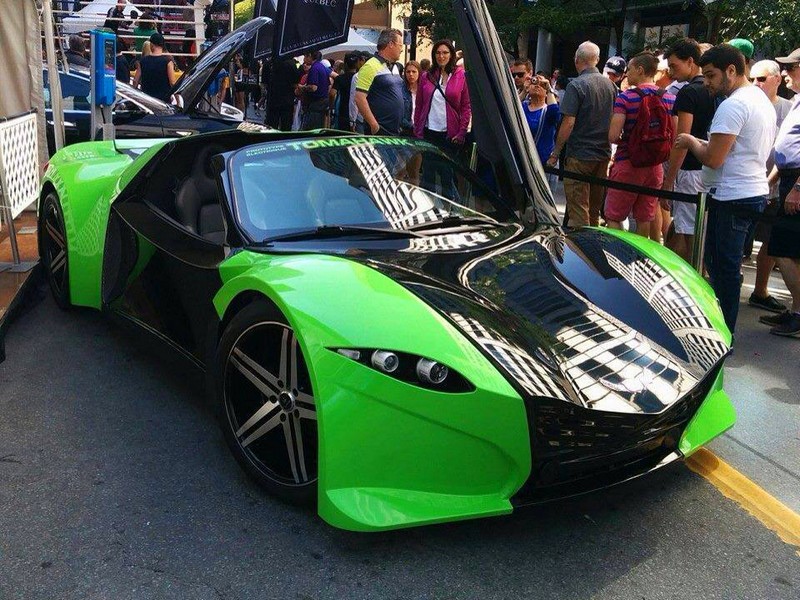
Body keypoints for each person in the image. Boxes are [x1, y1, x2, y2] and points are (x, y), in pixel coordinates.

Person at [675, 44, 776, 334]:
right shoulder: (758, 99)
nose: (706, 82)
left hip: (731, 195)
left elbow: (714, 158)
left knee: (722, 271)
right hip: (748, 191)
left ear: (731, 70)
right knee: (725, 268)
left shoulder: (733, 105)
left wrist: (690, 141)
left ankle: (721, 334)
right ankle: (721, 331)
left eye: (711, 75)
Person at [547, 41, 618, 227]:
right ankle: (593, 242)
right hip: (603, 154)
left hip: (579, 155)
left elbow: (568, 122)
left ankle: (580, 245)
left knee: (578, 211)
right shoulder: (611, 86)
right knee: (594, 211)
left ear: (576, 59)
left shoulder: (576, 85)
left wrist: (556, 153)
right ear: (597, 60)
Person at [605, 52, 676, 237]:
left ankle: (617, 251)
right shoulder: (670, 99)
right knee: (644, 218)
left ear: (640, 70)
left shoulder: (626, 98)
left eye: (629, 69)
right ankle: (638, 254)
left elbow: (613, 135)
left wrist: (626, 140)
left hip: (628, 163)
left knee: (613, 216)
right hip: (655, 167)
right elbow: (674, 136)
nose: (626, 73)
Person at [662, 38, 717, 263]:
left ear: (690, 61)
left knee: (690, 234)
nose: (671, 71)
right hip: (710, 168)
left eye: (674, 65)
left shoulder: (688, 92)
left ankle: (692, 276)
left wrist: (669, 181)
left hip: (691, 170)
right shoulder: (715, 90)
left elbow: (681, 140)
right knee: (686, 229)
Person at [747, 59, 795, 312]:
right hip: (751, 183)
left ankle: (764, 292)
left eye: (762, 79)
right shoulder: (745, 102)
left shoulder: (788, 106)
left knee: (774, 242)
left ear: (775, 80)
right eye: (753, 79)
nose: (756, 83)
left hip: (782, 186)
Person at [759, 49, 800, 336]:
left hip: (796, 183)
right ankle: (796, 310)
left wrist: (797, 187)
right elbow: (786, 150)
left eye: (791, 68)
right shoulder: (796, 101)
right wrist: (770, 181)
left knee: (783, 251)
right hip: (788, 179)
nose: (785, 73)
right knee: (791, 252)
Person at [414, 39, 472, 195]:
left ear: (451, 54)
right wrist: (418, 130)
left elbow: (466, 107)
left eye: (445, 52)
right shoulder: (426, 76)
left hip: (450, 134)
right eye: (438, 53)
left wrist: (461, 132)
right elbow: (419, 105)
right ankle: (430, 207)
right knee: (428, 175)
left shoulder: (461, 75)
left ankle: (451, 206)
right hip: (429, 131)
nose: (441, 56)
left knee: (447, 176)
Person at [355, 29, 405, 135]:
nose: (402, 50)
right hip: (380, 131)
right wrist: (374, 125)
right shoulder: (370, 66)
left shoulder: (395, 67)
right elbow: (359, 98)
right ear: (391, 44)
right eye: (400, 45)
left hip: (395, 130)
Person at [522, 75, 559, 165]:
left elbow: (555, 112)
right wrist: (524, 91)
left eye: (542, 85)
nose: (537, 85)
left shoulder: (547, 111)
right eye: (534, 83)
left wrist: (549, 89)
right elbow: (508, 109)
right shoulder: (522, 106)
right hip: (521, 158)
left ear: (546, 93)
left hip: (540, 162)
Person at [133, 33, 177, 102]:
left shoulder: (143, 61)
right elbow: (172, 83)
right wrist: (178, 100)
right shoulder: (168, 62)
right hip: (163, 101)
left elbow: (135, 81)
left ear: (152, 45)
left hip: (146, 100)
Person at [265, 57, 300, 131]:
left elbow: (265, 83)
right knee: (286, 126)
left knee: (271, 125)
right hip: (287, 99)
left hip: (273, 98)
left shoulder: (270, 63)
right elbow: (296, 83)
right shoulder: (292, 64)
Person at [330, 53, 359, 131]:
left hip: (343, 110)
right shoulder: (359, 78)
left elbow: (332, 93)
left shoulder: (340, 78)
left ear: (345, 64)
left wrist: (331, 107)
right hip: (357, 111)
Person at [401, 60, 421, 135]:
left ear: (419, 73)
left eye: (414, 71)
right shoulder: (401, 90)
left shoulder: (424, 91)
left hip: (421, 130)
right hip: (405, 130)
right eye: (408, 72)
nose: (411, 74)